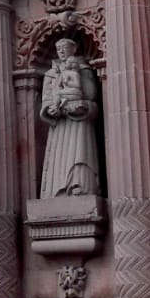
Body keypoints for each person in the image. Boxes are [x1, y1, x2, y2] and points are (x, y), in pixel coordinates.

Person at [39, 37, 101, 198]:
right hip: (59, 123)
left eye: (64, 47)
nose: (61, 51)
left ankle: (81, 186)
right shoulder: (51, 74)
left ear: (73, 50)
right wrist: (49, 108)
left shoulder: (83, 69)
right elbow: (46, 98)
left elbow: (90, 94)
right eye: (58, 48)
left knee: (79, 151)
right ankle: (56, 189)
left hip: (79, 120)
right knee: (59, 157)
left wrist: (82, 106)